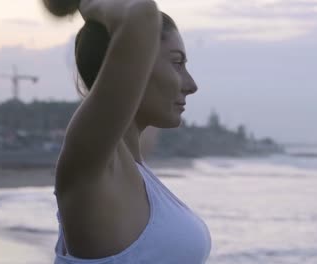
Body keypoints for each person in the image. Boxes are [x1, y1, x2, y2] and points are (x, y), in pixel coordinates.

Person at [43, 0, 212, 263]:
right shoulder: (94, 166)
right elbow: (142, 14)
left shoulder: (132, 161)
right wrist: (86, 5)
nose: (191, 85)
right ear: (137, 64)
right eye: (177, 63)